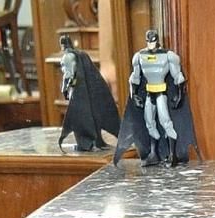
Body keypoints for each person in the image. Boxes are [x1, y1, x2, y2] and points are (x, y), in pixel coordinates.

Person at [114, 29, 199, 167]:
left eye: (153, 40)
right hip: (149, 94)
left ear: (157, 40)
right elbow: (134, 78)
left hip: (161, 94)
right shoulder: (139, 56)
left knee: (166, 122)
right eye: (149, 40)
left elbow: (178, 77)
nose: (151, 43)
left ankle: (173, 155)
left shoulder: (168, 56)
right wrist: (134, 94)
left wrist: (179, 95)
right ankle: (154, 153)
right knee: (149, 123)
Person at [58, 34, 120, 152]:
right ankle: (96, 140)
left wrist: (64, 88)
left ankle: (84, 143)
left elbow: (68, 74)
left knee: (78, 118)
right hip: (87, 90)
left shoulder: (67, 57)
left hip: (76, 90)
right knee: (92, 114)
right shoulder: (82, 55)